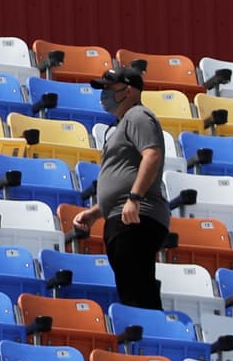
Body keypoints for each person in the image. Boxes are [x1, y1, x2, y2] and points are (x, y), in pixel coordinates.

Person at [73, 67, 170, 309]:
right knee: (134, 286)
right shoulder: (123, 123)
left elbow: (152, 155)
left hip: (135, 216)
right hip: (123, 214)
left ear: (128, 90)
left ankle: (149, 337)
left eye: (109, 87)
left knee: (136, 291)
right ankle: (148, 334)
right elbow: (124, 173)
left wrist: (135, 198)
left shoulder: (138, 116)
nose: (104, 93)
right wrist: (96, 212)